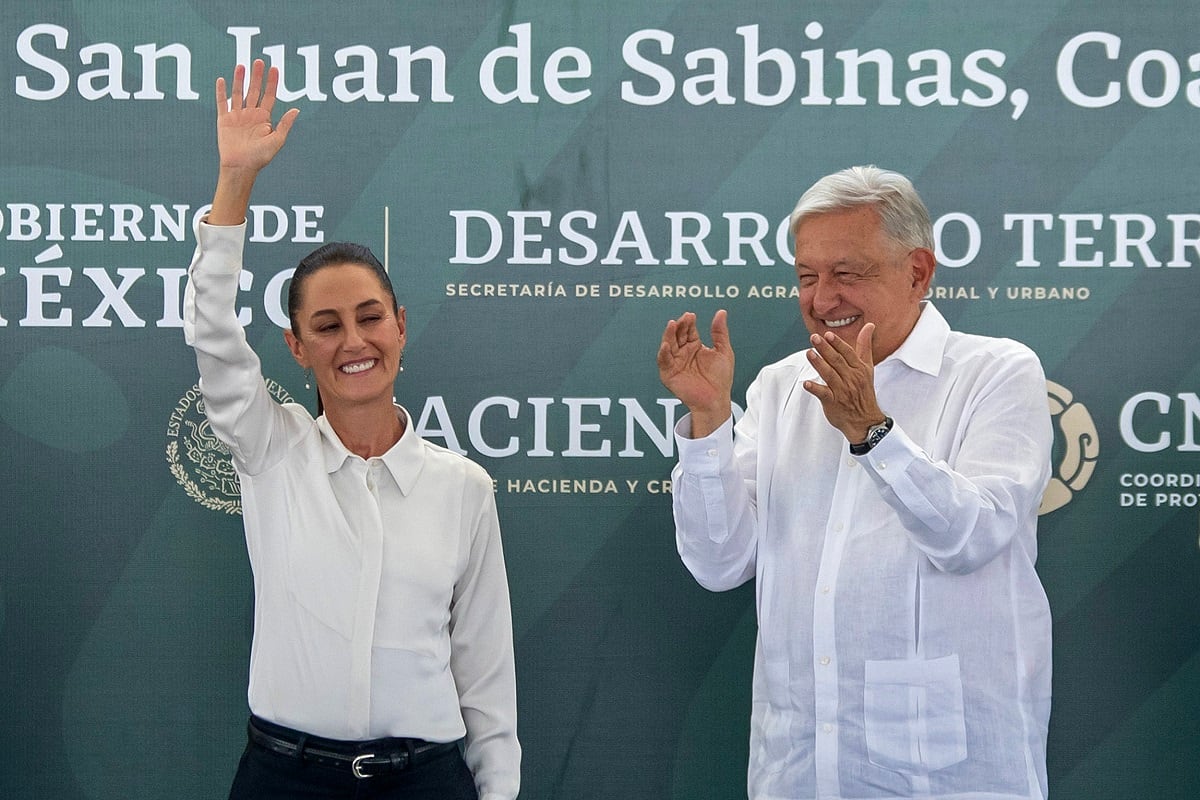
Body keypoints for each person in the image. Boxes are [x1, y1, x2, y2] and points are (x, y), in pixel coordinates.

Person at [657, 166, 1052, 799]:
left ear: (918, 272)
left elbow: (972, 538)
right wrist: (708, 422)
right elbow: (719, 563)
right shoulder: (780, 387)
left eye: (847, 273)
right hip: (798, 770)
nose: (822, 300)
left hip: (949, 778)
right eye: (806, 277)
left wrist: (873, 433)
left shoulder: (996, 372)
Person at [183, 60, 520, 800]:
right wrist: (234, 181)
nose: (354, 341)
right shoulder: (271, 451)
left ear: (400, 327)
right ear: (297, 347)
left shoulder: (463, 488)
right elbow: (212, 333)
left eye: (370, 318)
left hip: (426, 781)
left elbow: (486, 676)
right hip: (285, 779)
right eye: (327, 326)